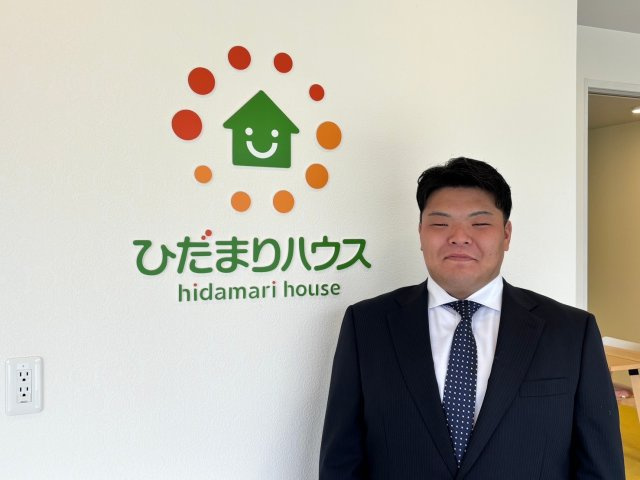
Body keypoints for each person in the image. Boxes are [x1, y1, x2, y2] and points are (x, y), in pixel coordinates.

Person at [319, 157, 624, 479]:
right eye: (440, 224)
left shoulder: (571, 332)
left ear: (506, 235)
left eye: (479, 224)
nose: (459, 237)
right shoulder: (366, 325)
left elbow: (601, 467)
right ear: (421, 234)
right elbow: (341, 461)